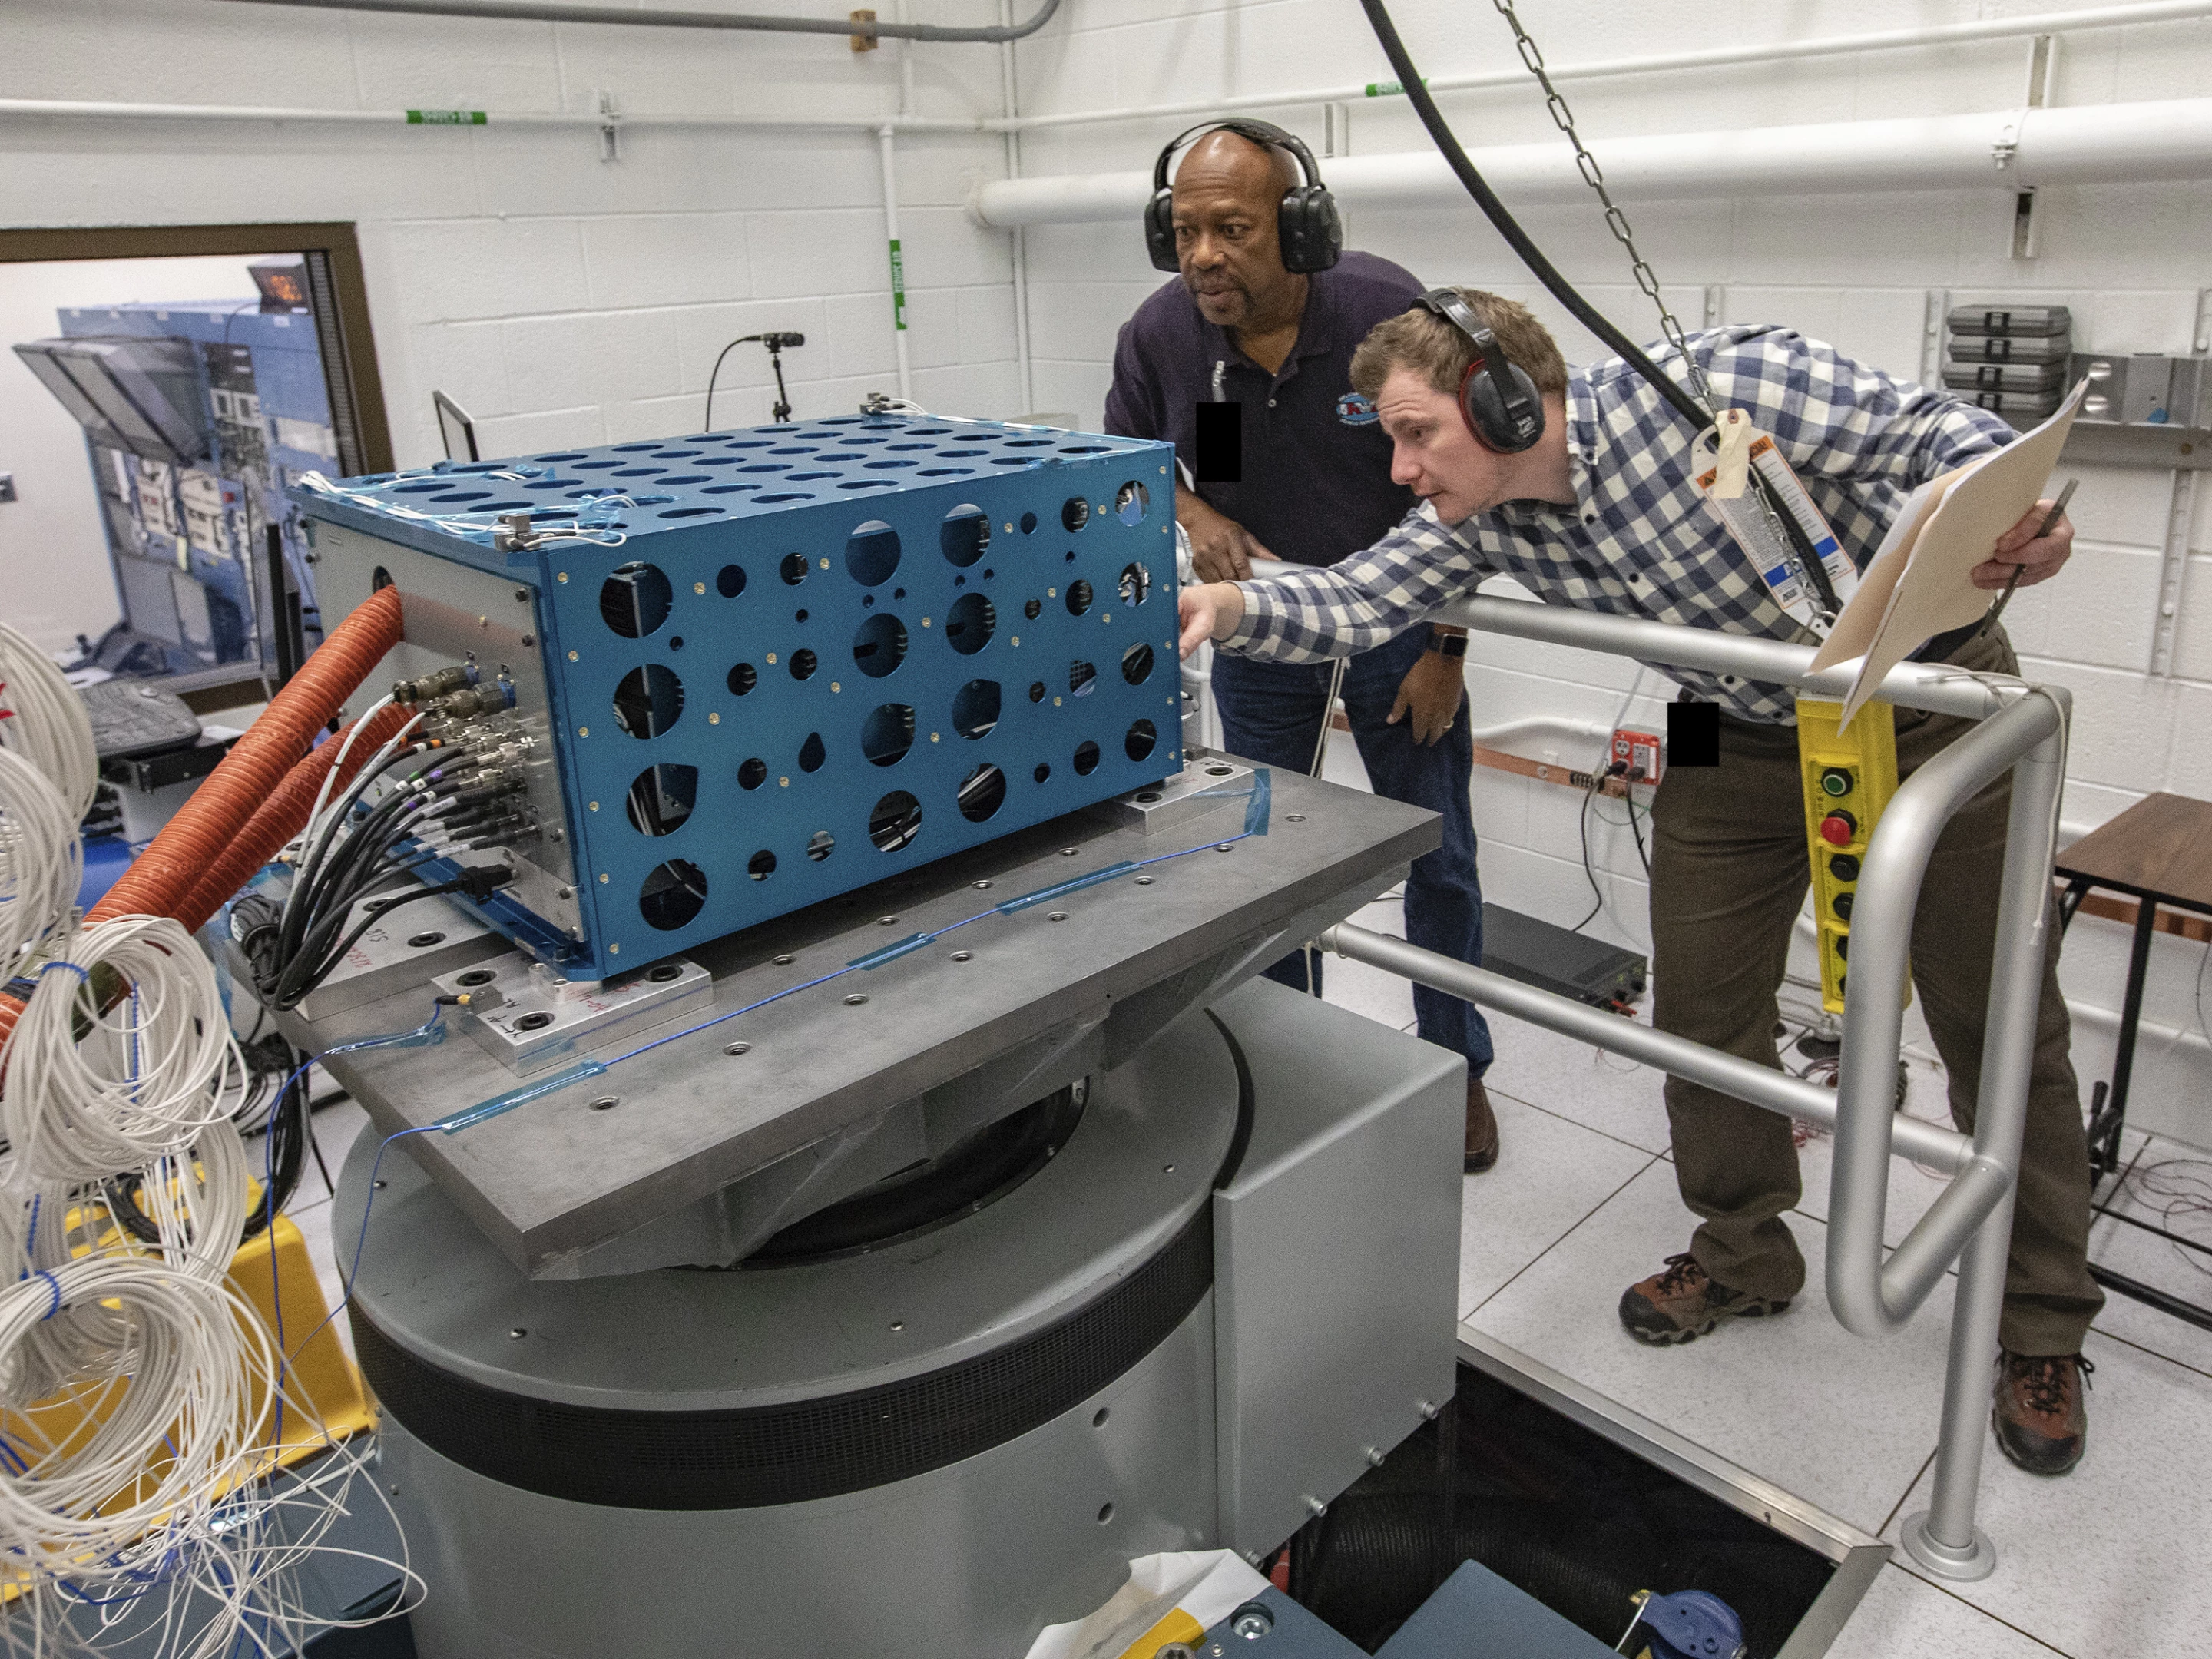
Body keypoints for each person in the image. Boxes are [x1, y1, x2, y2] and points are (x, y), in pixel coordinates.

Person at [1176, 289, 2103, 1478]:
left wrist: (2022, 520)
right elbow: (1360, 595)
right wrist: (1232, 604)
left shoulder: (1723, 386)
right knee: (1704, 1008)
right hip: (1728, 726)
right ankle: (1743, 1250)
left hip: (1931, 702)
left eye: (1417, 436)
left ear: (1509, 403)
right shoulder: (1484, 515)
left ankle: (2041, 1323)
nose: (1402, 471)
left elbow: (1942, 435)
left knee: (2002, 1025)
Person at [1103, 121, 1501, 1173]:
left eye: (1232, 228)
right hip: (1264, 616)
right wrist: (1190, 513)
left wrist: (1447, 646)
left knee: (1436, 850)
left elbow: (1477, 489)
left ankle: (1457, 1069)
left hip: (1398, 622)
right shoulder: (1161, 337)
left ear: (1301, 228)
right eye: (1185, 231)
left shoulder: (1384, 313)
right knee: (1265, 856)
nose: (1204, 256)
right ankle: (1290, 1055)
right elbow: (1126, 462)